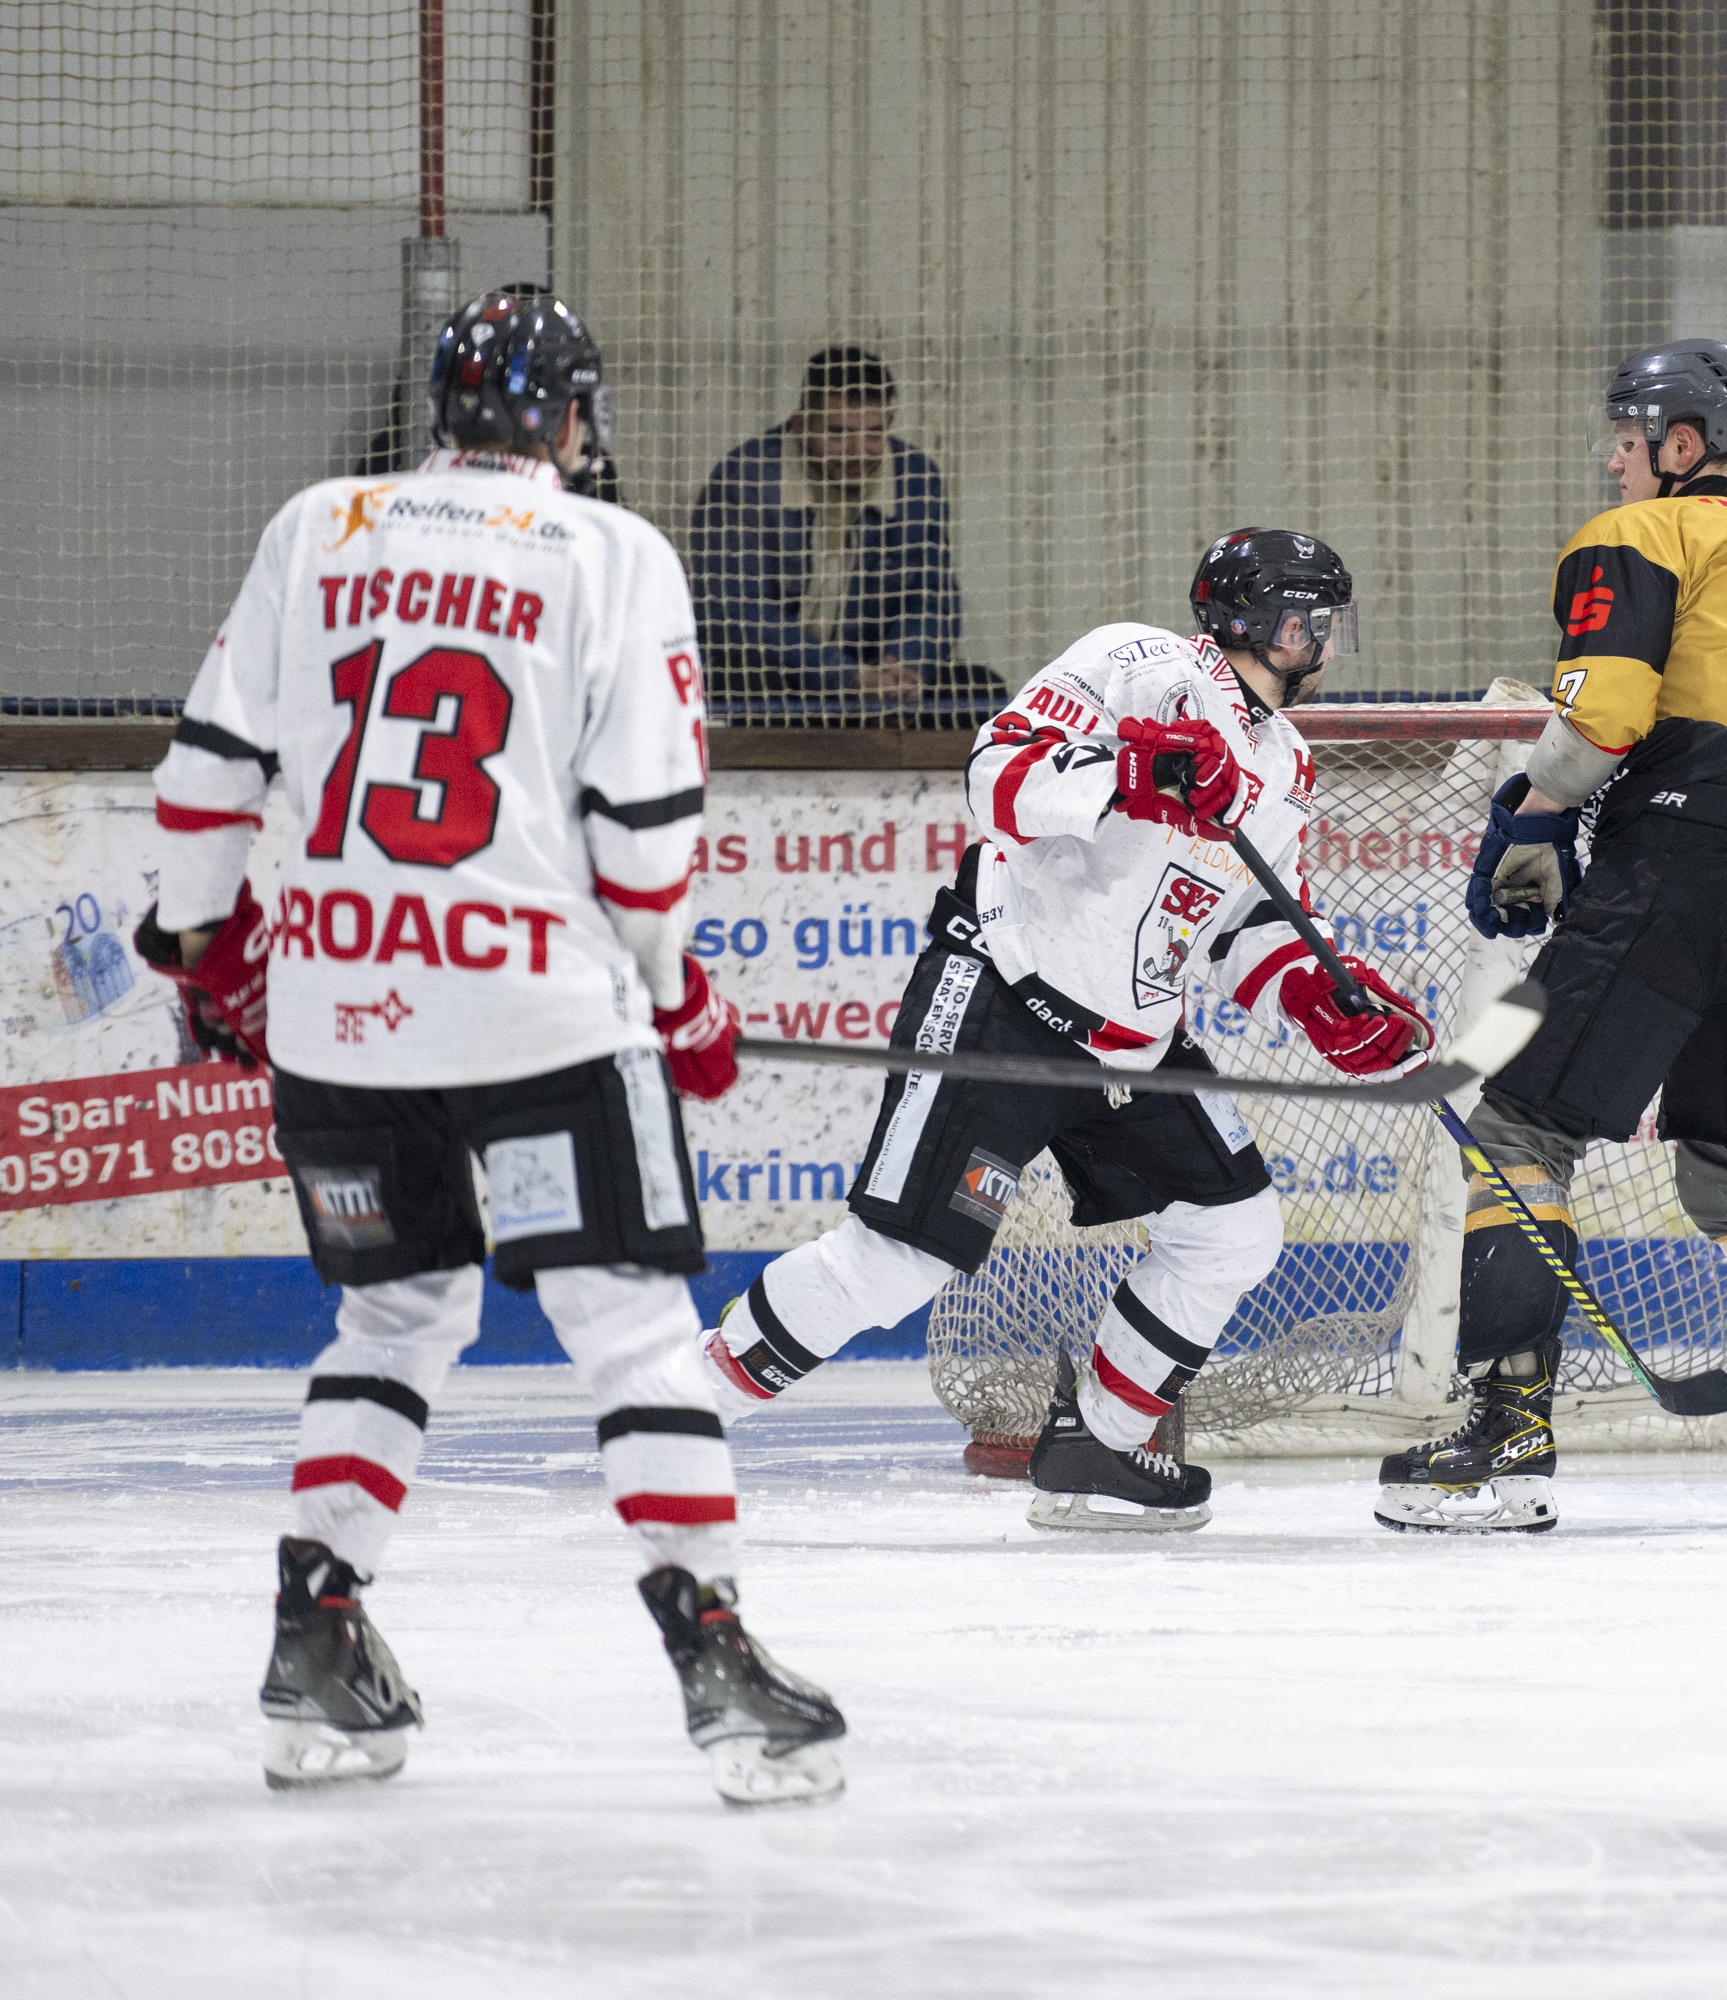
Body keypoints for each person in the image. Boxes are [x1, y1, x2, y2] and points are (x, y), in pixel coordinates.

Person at [140, 291, 843, 1803]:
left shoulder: (317, 524)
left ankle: (316, 1633)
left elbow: (204, 780)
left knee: (393, 1324)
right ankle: (712, 1651)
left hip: (341, 1019)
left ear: (438, 412)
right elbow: (644, 839)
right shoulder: (611, 552)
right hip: (537, 1018)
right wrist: (673, 987)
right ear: (576, 422)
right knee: (636, 1331)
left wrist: (204, 949)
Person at [694, 530, 1424, 1532]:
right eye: (1317, 622)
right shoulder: (1138, 663)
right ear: (1266, 622)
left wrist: (1319, 996)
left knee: (1232, 1226)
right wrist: (1136, 768)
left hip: (1133, 1043)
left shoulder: (1285, 763)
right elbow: (994, 774)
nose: (1331, 644)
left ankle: (1095, 1450)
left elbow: (1247, 922)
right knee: (897, 1260)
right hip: (1005, 996)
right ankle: (680, 1414)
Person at [1376, 338, 1727, 1532]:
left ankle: (1504, 1433)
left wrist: (1526, 820)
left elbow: (1607, 716)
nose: (1612, 457)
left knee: (1516, 1126)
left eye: (1627, 439)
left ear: (1681, 447)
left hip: (1672, 877)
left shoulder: (1637, 538)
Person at [689, 344, 961, 718]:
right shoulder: (743, 480)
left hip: (874, 675)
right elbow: (738, 613)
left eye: (873, 434)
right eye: (838, 433)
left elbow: (933, 598)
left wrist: (903, 665)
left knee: (983, 687)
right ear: (799, 426)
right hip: (765, 679)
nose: (858, 452)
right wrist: (843, 675)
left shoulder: (916, 478)